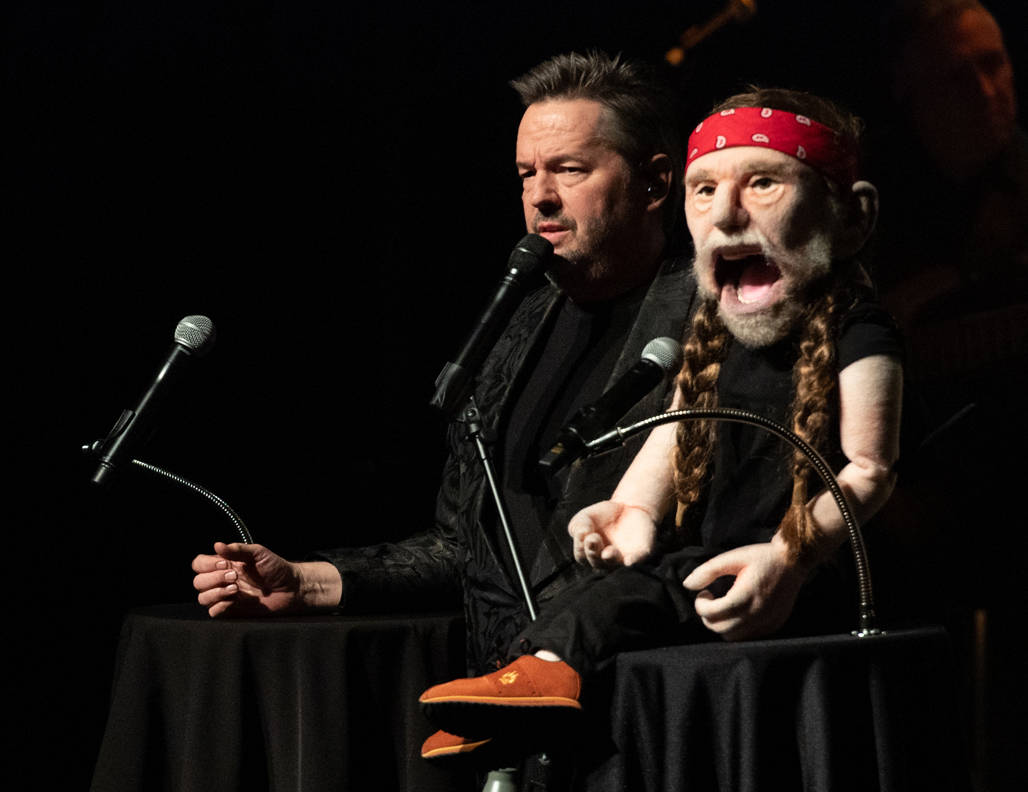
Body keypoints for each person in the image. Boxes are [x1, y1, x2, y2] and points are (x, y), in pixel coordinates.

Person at [417, 87, 904, 762]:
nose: (727, 214)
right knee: (611, 591)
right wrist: (632, 508)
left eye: (762, 183)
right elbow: (676, 431)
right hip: (700, 562)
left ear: (852, 217)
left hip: (799, 584)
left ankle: (535, 678)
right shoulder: (711, 336)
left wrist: (790, 558)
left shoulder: (858, 330)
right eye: (705, 190)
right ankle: (528, 685)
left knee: (620, 601)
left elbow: (870, 469)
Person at [191, 51, 696, 679]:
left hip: (652, 698)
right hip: (503, 700)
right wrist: (308, 581)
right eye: (525, 173)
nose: (540, 196)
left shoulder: (712, 321)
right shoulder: (516, 328)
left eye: (569, 169)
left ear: (655, 183)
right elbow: (466, 546)